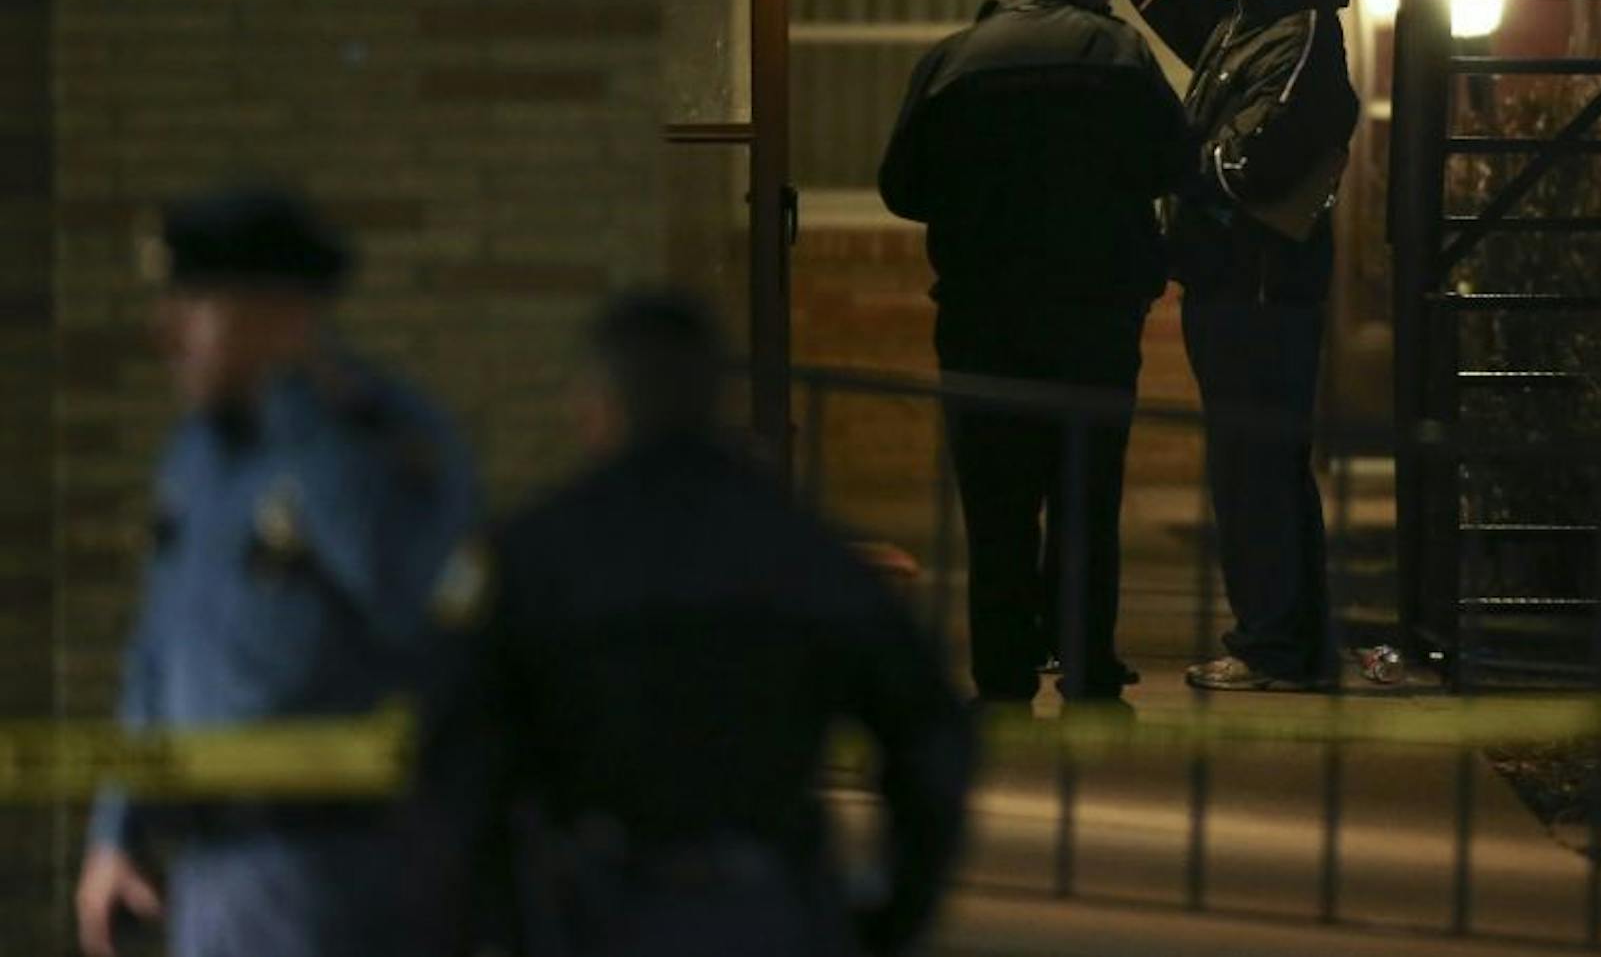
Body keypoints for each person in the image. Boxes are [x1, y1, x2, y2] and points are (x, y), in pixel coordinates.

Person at [463, 292, 972, 957]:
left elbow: (455, 756)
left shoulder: (533, 556)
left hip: (587, 906)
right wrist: (892, 911)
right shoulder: (802, 553)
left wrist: (493, 916)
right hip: (766, 907)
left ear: (597, 406)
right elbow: (930, 737)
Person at [75, 185, 481, 957]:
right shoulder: (200, 456)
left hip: (337, 875)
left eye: (194, 305)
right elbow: (158, 652)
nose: (166, 333)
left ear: (280, 315)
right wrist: (116, 830)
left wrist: (303, 419)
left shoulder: (386, 441)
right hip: (209, 878)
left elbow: (413, 596)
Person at [879, 0, 1187, 709]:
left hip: (985, 312)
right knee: (1088, 500)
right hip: (1094, 314)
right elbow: (1173, 162)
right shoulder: (1122, 57)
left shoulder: (954, 58)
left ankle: (1003, 677)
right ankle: (1086, 673)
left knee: (996, 506)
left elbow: (902, 186)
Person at [1112, 0, 1361, 693]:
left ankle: (1275, 649)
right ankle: (1286, 642)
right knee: (1254, 465)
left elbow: (1252, 167)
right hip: (1230, 284)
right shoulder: (1244, 27)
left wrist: (1161, 155)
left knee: (1256, 469)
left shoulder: (1301, 44)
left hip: (1260, 293)